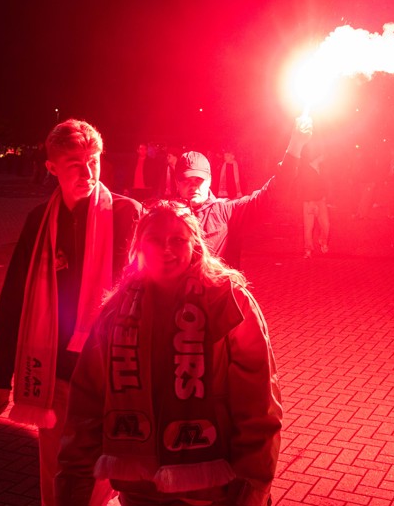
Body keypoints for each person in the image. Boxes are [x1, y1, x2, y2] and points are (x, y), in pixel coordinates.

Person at [55, 201, 282, 506]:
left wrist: (250, 488)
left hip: (214, 490)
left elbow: (258, 404)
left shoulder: (228, 302)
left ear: (196, 244)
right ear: (138, 246)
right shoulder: (117, 310)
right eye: (154, 240)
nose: (166, 249)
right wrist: (74, 484)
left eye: (177, 240)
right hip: (140, 491)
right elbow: (87, 403)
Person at [0, 119, 142, 506]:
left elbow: (150, 296)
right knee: (57, 474)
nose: (87, 172)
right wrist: (0, 374)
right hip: (53, 370)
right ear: (51, 167)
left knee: (112, 470)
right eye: (74, 163)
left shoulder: (127, 214)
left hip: (111, 369)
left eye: (94, 160)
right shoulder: (40, 221)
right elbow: (14, 298)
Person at [173, 117, 309, 269]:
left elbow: (271, 196)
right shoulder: (166, 216)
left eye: (198, 180)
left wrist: (295, 145)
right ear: (177, 183)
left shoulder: (226, 212)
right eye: (186, 180)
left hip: (217, 292)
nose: (193, 186)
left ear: (210, 180)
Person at [298, 146, 330, 258]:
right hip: (309, 200)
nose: (324, 158)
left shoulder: (321, 168)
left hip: (320, 200)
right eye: (323, 156)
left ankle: (322, 240)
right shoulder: (306, 169)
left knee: (326, 225)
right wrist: (311, 202)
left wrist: (324, 196)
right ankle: (308, 250)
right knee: (309, 227)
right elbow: (305, 187)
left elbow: (323, 184)